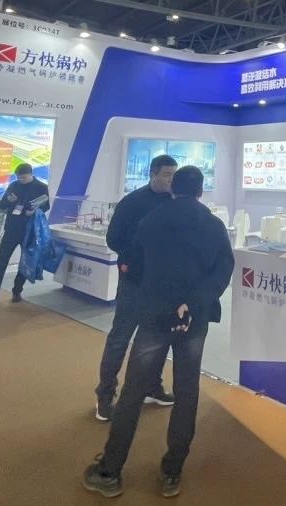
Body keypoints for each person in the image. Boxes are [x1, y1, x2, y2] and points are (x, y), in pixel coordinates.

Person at [83, 166, 234, 499]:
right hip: (193, 319)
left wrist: (160, 296)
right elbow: (223, 270)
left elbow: (135, 263)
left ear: (173, 188)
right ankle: (172, 471)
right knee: (187, 391)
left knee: (133, 392)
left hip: (154, 314)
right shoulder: (213, 225)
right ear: (201, 191)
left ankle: (110, 470)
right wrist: (192, 302)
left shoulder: (151, 221)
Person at [94, 155, 177, 421]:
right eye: (167, 175)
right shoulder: (132, 202)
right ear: (153, 173)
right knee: (121, 337)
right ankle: (105, 394)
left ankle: (152, 385)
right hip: (134, 281)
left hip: (162, 284)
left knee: (157, 338)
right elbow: (114, 239)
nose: (171, 180)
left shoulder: (175, 202)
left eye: (174, 175)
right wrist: (138, 257)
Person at [0, 163, 50, 309]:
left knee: (25, 261)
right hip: (12, 229)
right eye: (19, 177)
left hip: (29, 230)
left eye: (24, 177)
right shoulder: (13, 185)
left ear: (31, 175)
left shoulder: (41, 187)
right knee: (0, 261)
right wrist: (9, 200)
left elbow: (46, 206)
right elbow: (2, 205)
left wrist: (34, 211)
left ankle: (17, 290)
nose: (21, 180)